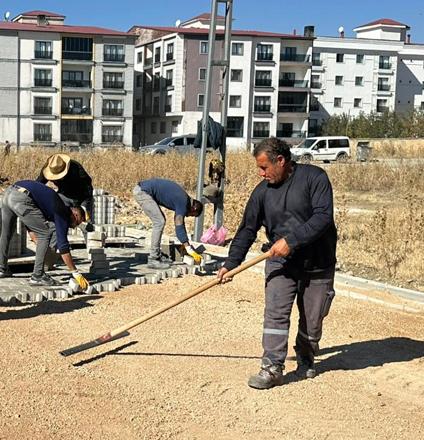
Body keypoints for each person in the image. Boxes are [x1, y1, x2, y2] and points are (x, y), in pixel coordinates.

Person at [217, 137, 337, 390]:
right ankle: (272, 367)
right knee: (276, 315)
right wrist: (231, 264)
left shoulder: (315, 178)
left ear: (281, 161)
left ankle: (306, 353)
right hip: (281, 264)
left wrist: (291, 241)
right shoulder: (262, 192)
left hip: (318, 263)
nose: (260, 173)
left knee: (313, 321)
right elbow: (247, 230)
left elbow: (323, 217)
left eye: (264, 167)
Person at [0, 180, 89, 290]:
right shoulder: (62, 212)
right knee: (45, 233)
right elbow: (63, 247)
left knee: (6, 232)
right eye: (77, 223)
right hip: (22, 198)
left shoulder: (50, 205)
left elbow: (30, 223)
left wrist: (40, 244)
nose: (74, 227)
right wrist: (75, 273)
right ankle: (38, 275)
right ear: (75, 214)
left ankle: (1, 269)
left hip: (9, 192)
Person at [132, 178, 203, 269]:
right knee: (159, 222)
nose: (189, 216)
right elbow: (179, 225)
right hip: (143, 192)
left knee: (161, 220)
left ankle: (157, 255)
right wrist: (189, 248)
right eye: (192, 215)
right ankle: (153, 259)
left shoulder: (183, 198)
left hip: (144, 189)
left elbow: (179, 223)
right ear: (194, 208)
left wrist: (183, 242)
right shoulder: (183, 202)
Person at [37, 153, 95, 232]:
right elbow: (38, 184)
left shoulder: (76, 169)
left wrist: (84, 207)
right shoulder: (48, 169)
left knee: (86, 225)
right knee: (59, 220)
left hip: (81, 197)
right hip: (63, 195)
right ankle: (60, 242)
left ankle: (91, 242)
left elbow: (88, 188)